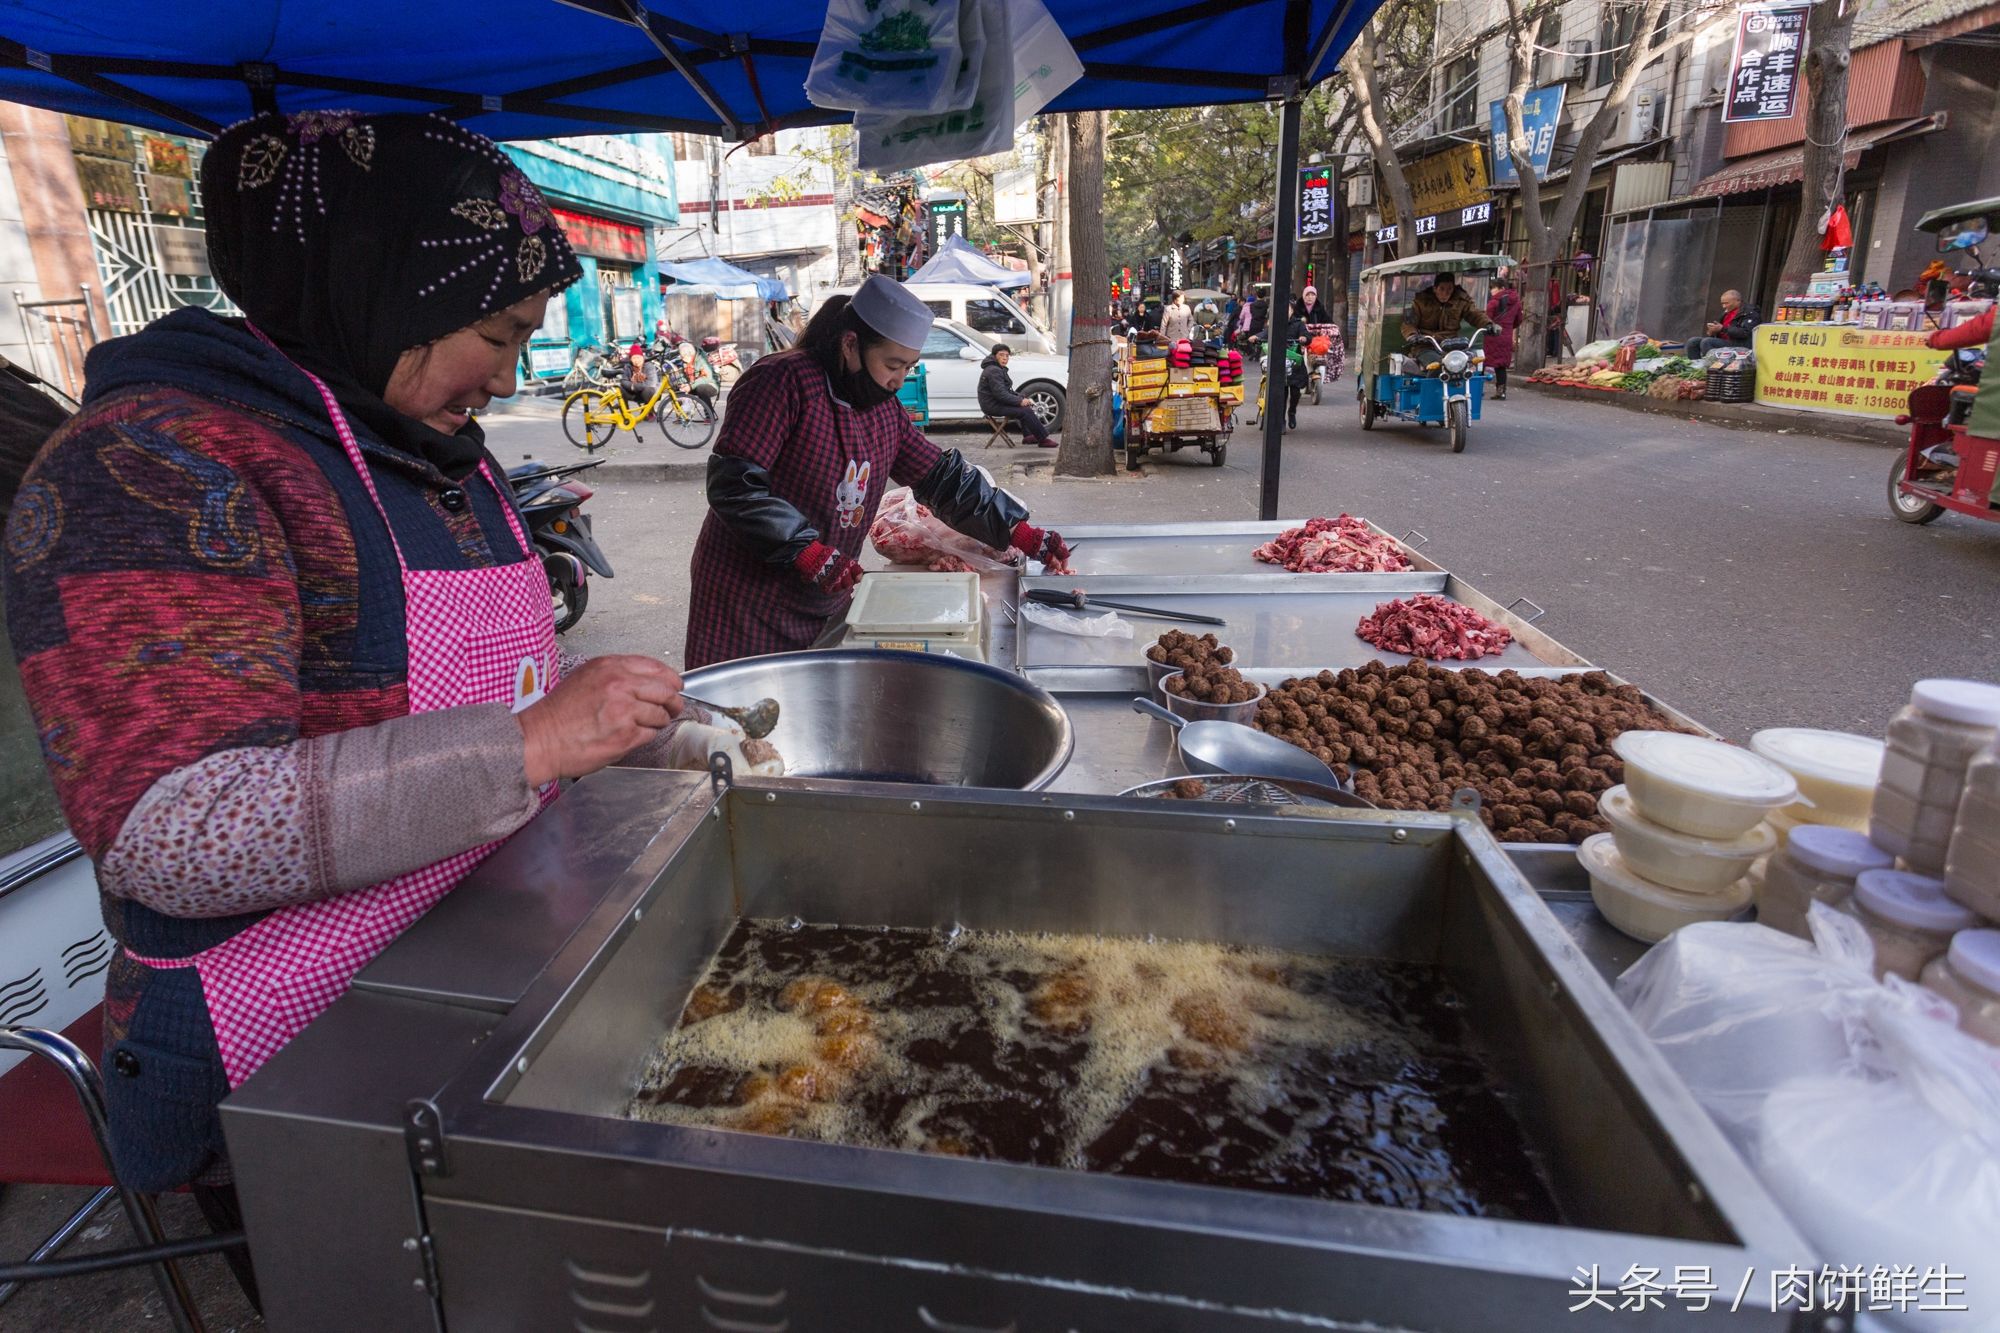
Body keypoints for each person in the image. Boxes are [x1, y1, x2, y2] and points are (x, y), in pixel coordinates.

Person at [0, 112, 696, 1289]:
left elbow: (488, 690)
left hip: (473, 970)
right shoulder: (154, 466)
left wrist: (601, 743)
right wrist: (531, 742)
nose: (514, 373)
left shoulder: (429, 444)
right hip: (291, 1054)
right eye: (495, 330)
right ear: (382, 283)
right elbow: (175, 829)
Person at [684, 275, 1071, 668]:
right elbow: (736, 484)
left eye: (909, 367)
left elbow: (944, 480)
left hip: (824, 594)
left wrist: (1020, 532)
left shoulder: (885, 411)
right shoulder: (782, 381)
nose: (899, 380)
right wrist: (806, 551)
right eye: (892, 364)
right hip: (746, 600)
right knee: (732, 719)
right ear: (850, 345)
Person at [977, 342, 1053, 448]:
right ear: (994, 356)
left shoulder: (997, 368)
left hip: (995, 402)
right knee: (1025, 411)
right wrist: (1020, 401)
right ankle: (1043, 439)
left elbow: (1006, 391)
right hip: (992, 406)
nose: (1005, 358)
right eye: (1001, 355)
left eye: (1007, 356)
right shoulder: (993, 370)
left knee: (1025, 404)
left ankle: (1028, 436)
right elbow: (1001, 394)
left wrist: (1020, 397)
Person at [1401, 271, 1479, 344]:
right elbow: (1409, 323)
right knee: (1430, 358)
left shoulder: (1461, 301)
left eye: (1449, 289)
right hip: (1426, 344)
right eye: (1442, 289)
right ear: (1435, 289)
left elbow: (1474, 314)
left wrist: (1487, 324)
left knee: (1470, 356)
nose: (1445, 293)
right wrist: (1412, 335)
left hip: (1452, 343)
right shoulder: (1421, 302)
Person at [1685, 289, 1760, 359]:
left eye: (1726, 303)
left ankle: (1711, 367)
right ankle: (1696, 365)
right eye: (1722, 303)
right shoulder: (1726, 312)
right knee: (1693, 341)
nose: (1724, 306)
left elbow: (1745, 333)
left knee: (1707, 342)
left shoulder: (1750, 313)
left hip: (1740, 344)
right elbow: (1721, 329)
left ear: (1738, 301)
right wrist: (1713, 331)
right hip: (1724, 341)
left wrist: (1722, 329)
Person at [1485, 275, 1522, 400]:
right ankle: (1501, 391)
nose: (1491, 291)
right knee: (1500, 365)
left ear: (1501, 288)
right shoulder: (1516, 302)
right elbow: (1518, 320)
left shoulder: (1493, 302)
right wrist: (1508, 327)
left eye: (1493, 288)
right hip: (1506, 336)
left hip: (1492, 336)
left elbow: (1486, 320)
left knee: (1480, 361)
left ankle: (1476, 389)